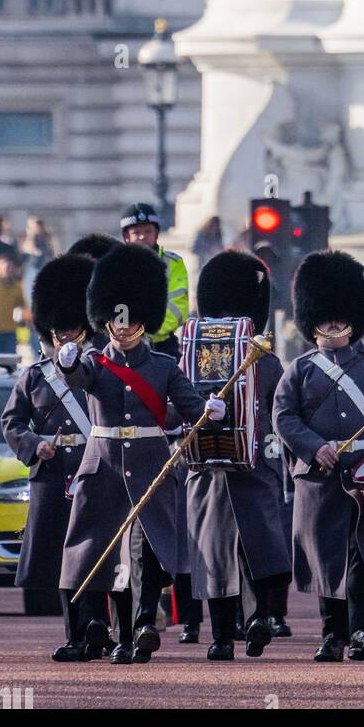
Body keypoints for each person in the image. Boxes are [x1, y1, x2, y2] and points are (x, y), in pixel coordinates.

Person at [56, 242, 225, 664]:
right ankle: (102, 636)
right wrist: (67, 361)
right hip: (105, 465)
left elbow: (188, 405)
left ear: (143, 322)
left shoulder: (164, 366)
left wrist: (210, 409)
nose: (124, 328)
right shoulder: (96, 361)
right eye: (117, 322)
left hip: (150, 462)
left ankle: (139, 628)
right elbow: (79, 378)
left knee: (146, 553)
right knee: (101, 551)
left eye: (131, 322)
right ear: (108, 322)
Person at [273, 250, 364, 662]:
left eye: (340, 317)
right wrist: (313, 446)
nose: (335, 324)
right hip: (321, 477)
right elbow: (283, 416)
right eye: (326, 318)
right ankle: (332, 635)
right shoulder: (300, 370)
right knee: (327, 559)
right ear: (313, 322)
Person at [185, 249, 292, 661]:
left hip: (253, 466)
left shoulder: (267, 363)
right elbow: (180, 404)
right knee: (214, 555)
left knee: (256, 548)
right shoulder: (193, 358)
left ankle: (256, 620)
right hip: (209, 466)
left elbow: (277, 412)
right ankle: (220, 635)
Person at [1, 254, 100, 660]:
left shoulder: (98, 370)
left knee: (97, 553)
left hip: (94, 469)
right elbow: (12, 422)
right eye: (60, 332)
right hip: (53, 472)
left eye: (73, 330)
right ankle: (76, 633)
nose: (66, 337)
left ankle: (104, 630)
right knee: (63, 558)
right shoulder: (35, 376)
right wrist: (33, 444)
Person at [119, 202, 189, 359]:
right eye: (136, 232)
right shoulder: (115, 265)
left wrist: (148, 331)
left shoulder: (173, 263)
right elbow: (116, 305)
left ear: (156, 233)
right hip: (123, 346)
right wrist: (127, 335)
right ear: (126, 237)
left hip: (162, 345)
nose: (143, 236)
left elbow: (178, 306)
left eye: (148, 231)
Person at [0, 251, 25, 356]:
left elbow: (21, 307)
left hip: (10, 332)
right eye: (4, 264)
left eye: (9, 265)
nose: (7, 267)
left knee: (10, 363)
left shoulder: (18, 287)